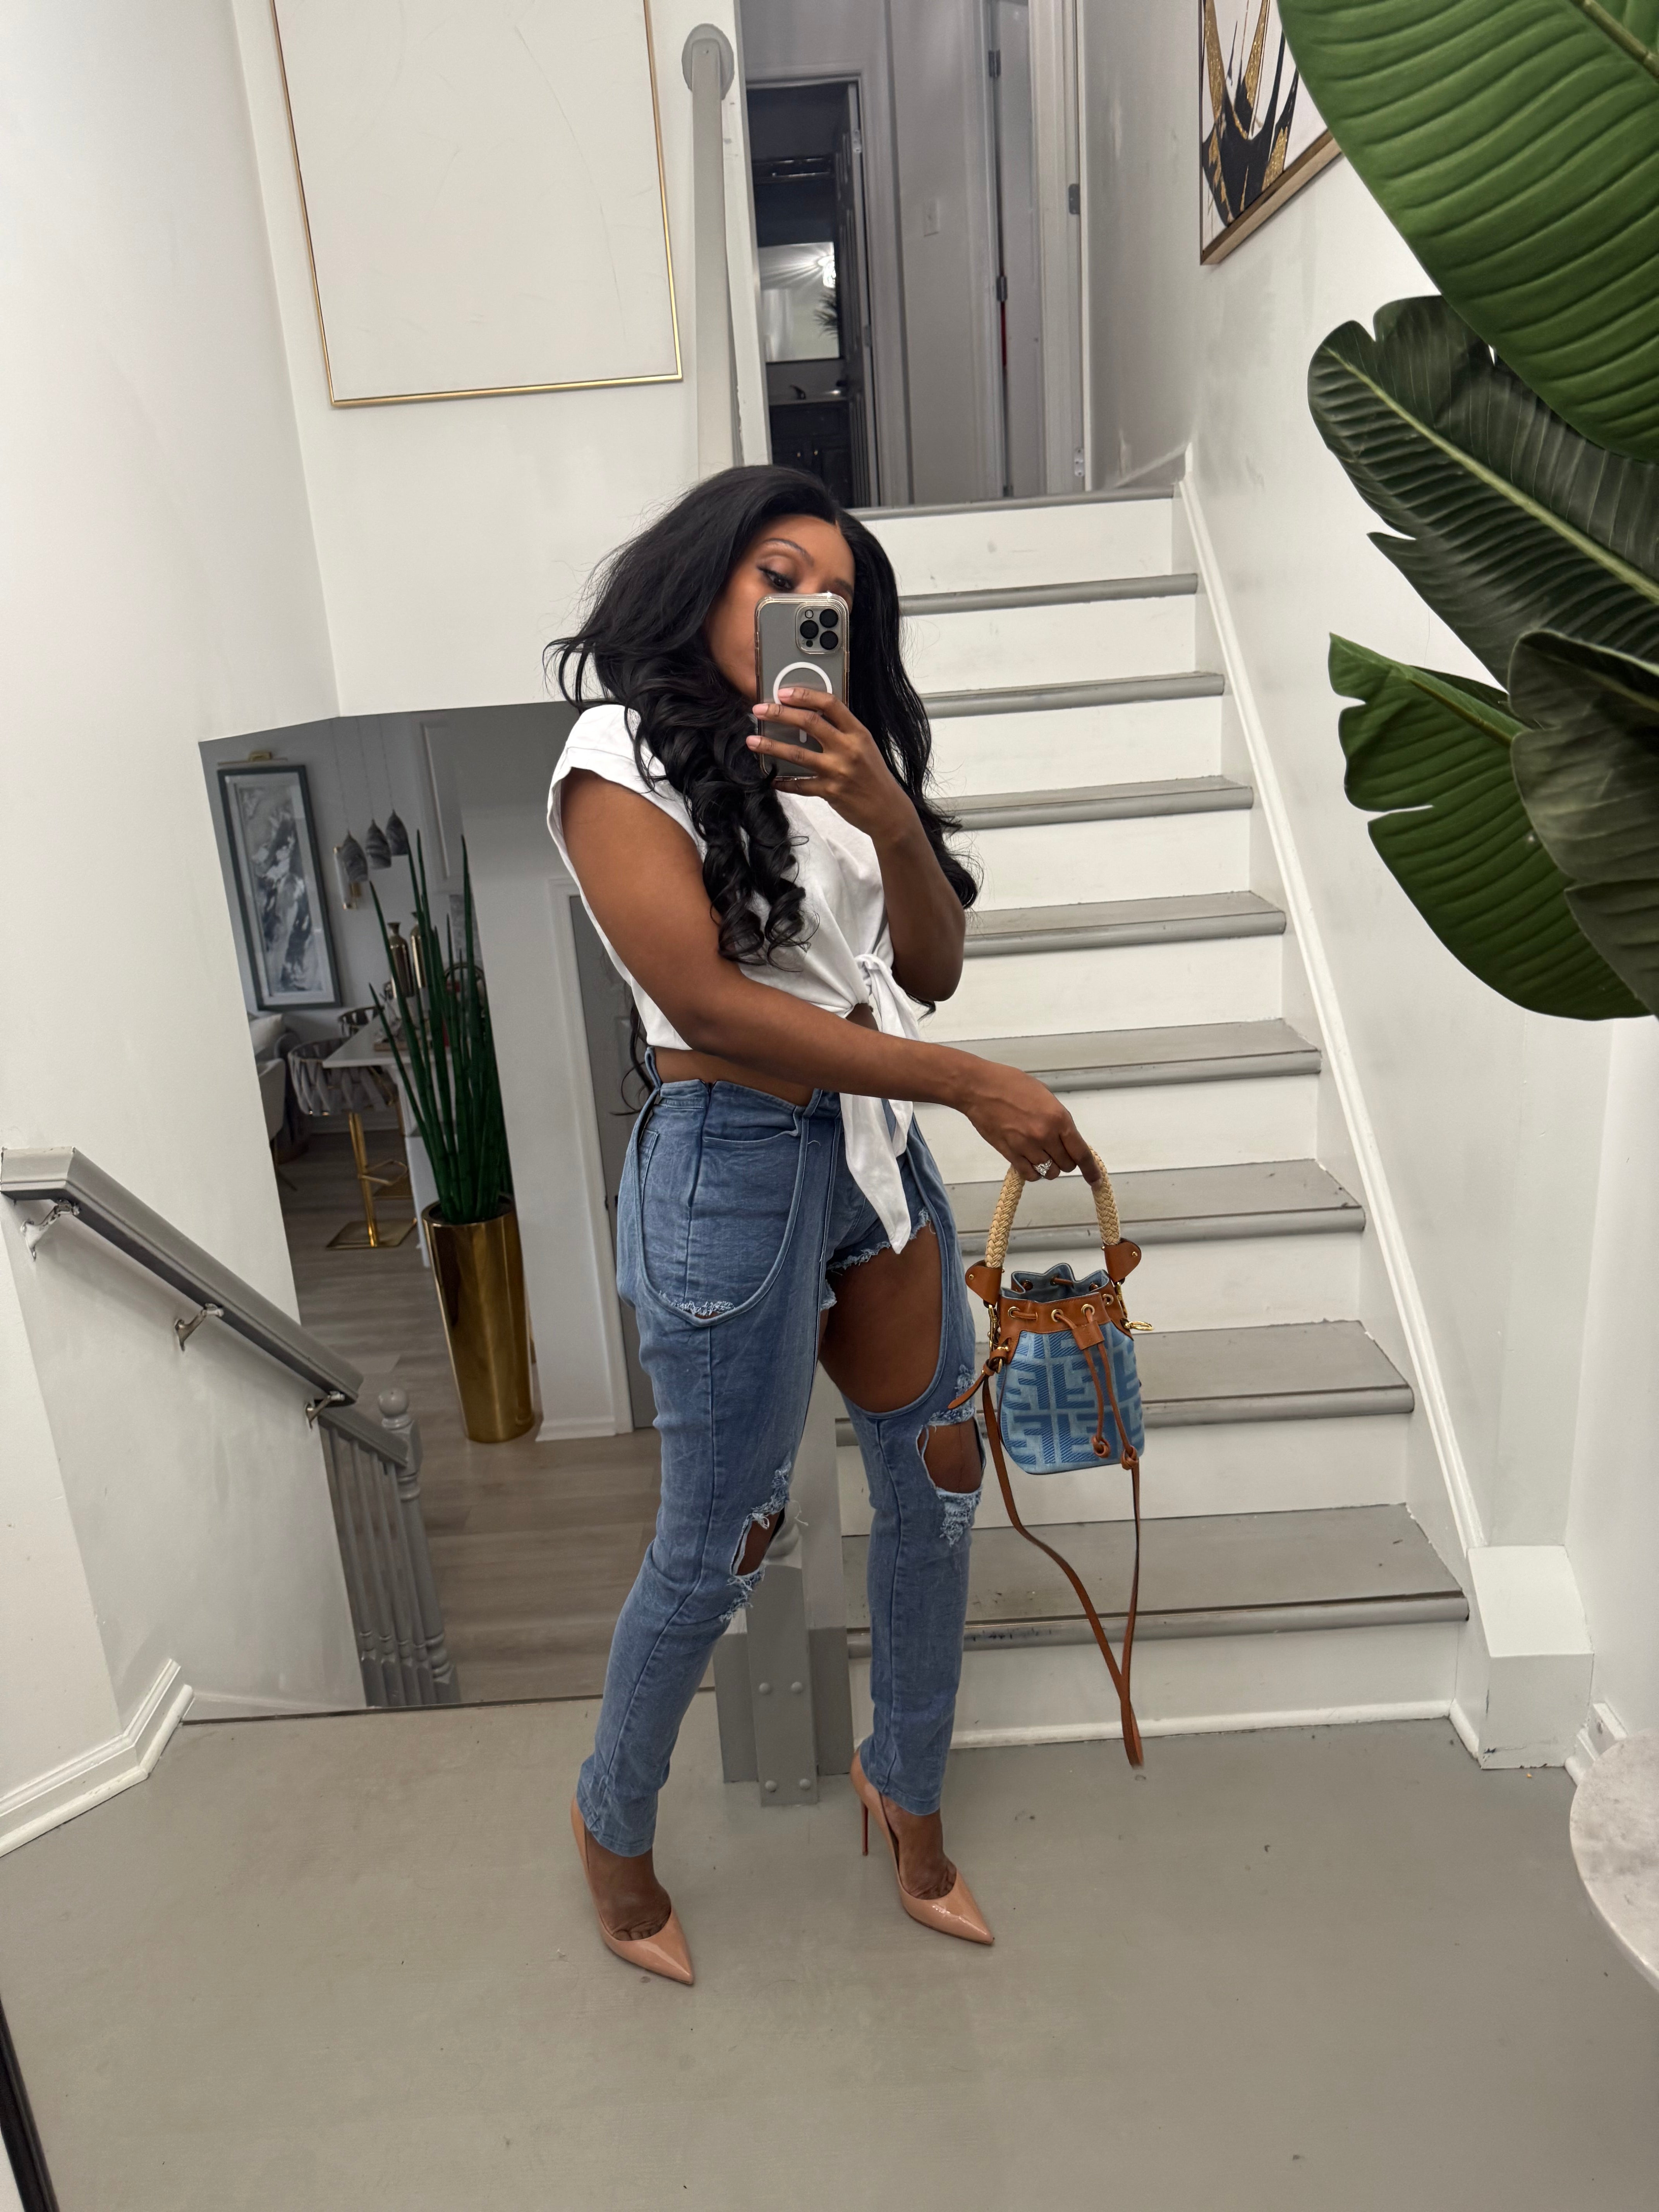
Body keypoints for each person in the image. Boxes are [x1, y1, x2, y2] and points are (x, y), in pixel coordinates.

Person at [548, 464, 1097, 1984]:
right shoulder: (616, 757)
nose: (812, 607)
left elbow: (929, 968)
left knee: (935, 1475)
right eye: (778, 575)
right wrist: (968, 1084)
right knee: (724, 1539)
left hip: (870, 1150)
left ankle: (906, 1786)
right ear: (705, 583)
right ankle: (611, 1823)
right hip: (728, 1158)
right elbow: (713, 1002)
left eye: (837, 597)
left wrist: (890, 815)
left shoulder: (842, 761)